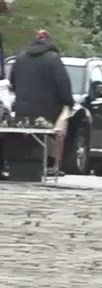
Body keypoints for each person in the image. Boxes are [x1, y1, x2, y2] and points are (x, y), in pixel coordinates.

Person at [7, 30, 73, 181]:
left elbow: (13, 83)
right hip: (48, 111)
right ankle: (50, 165)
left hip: (22, 110)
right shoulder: (54, 59)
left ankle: (25, 166)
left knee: (26, 139)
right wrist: (68, 103)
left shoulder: (20, 59)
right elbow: (63, 85)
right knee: (53, 133)